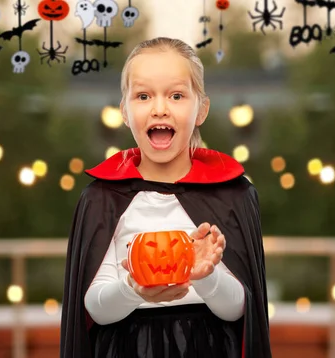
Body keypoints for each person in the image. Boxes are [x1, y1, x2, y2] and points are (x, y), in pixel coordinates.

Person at [60, 37, 271, 358]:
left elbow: (241, 310)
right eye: (143, 96)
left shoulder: (233, 194)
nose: (160, 108)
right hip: (127, 348)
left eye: (176, 95)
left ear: (201, 110)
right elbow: (94, 308)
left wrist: (207, 275)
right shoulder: (103, 198)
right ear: (124, 112)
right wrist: (133, 289)